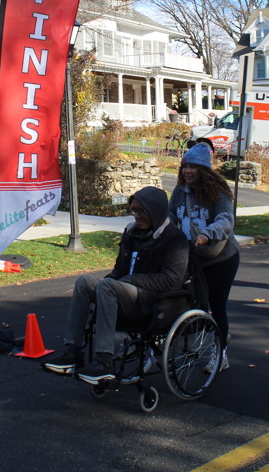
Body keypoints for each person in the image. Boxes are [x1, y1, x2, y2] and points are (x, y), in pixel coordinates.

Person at [43, 186, 189, 383]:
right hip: (124, 293)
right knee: (85, 281)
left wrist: (131, 279)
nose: (137, 216)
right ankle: (72, 352)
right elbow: (119, 270)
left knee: (108, 287)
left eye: (142, 211)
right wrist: (110, 280)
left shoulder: (174, 238)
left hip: (151, 301)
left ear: (156, 210)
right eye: (134, 210)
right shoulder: (131, 233)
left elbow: (171, 280)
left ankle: (104, 361)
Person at [169, 142, 239, 373]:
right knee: (191, 303)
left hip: (221, 259)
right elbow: (170, 217)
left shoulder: (218, 192)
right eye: (185, 166)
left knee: (216, 306)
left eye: (193, 167)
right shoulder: (179, 191)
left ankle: (220, 354)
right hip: (192, 257)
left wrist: (208, 233)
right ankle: (213, 336)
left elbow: (226, 220)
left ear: (204, 170)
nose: (188, 171)